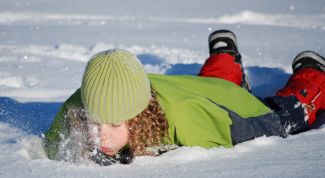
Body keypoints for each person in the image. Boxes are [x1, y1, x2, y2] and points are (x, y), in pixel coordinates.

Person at [43, 30, 325, 165]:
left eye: (114, 124)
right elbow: (52, 143)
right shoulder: (85, 100)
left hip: (223, 115)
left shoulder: (189, 121)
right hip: (192, 88)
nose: (100, 136)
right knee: (210, 85)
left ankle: (313, 77)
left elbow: (223, 154)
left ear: (137, 116)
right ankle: (224, 59)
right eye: (95, 123)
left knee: (282, 118)